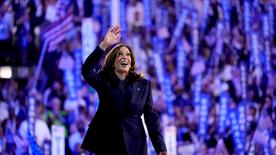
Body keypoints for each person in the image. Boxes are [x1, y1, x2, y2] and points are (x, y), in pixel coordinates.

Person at [81, 25, 167, 155]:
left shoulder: (144, 85)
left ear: (131, 62)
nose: (124, 57)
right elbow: (86, 70)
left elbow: (151, 118)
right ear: (113, 61)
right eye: (119, 54)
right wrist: (104, 45)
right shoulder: (104, 80)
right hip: (107, 143)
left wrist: (160, 147)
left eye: (127, 54)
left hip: (135, 145)